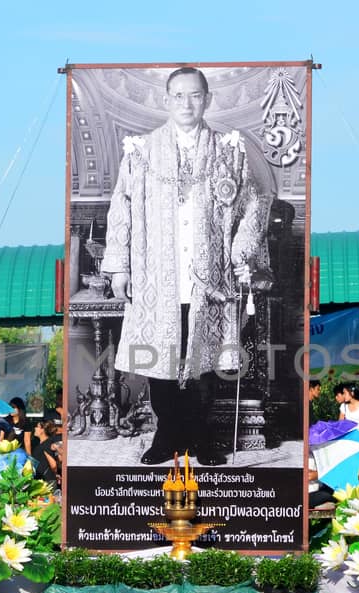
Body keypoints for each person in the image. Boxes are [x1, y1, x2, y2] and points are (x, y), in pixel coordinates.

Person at [102, 66, 275, 467]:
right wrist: (120, 267)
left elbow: (251, 206)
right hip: (156, 278)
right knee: (161, 362)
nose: (186, 103)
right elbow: (121, 211)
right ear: (166, 100)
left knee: (204, 362)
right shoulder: (141, 152)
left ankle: (201, 437)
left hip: (209, 279)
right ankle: (167, 436)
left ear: (207, 99)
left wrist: (242, 257)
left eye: (195, 95)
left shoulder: (229, 151)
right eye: (178, 96)